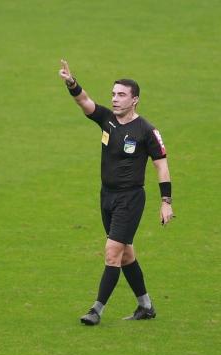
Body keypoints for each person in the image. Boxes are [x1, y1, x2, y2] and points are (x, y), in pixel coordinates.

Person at [59, 59, 174, 326]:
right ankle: (145, 305)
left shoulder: (146, 130)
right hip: (107, 197)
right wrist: (71, 82)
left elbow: (161, 165)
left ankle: (96, 310)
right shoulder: (107, 120)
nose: (115, 99)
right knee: (126, 254)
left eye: (121, 95)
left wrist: (166, 201)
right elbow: (84, 102)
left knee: (112, 252)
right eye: (113, 94)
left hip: (130, 198)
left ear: (135, 100)